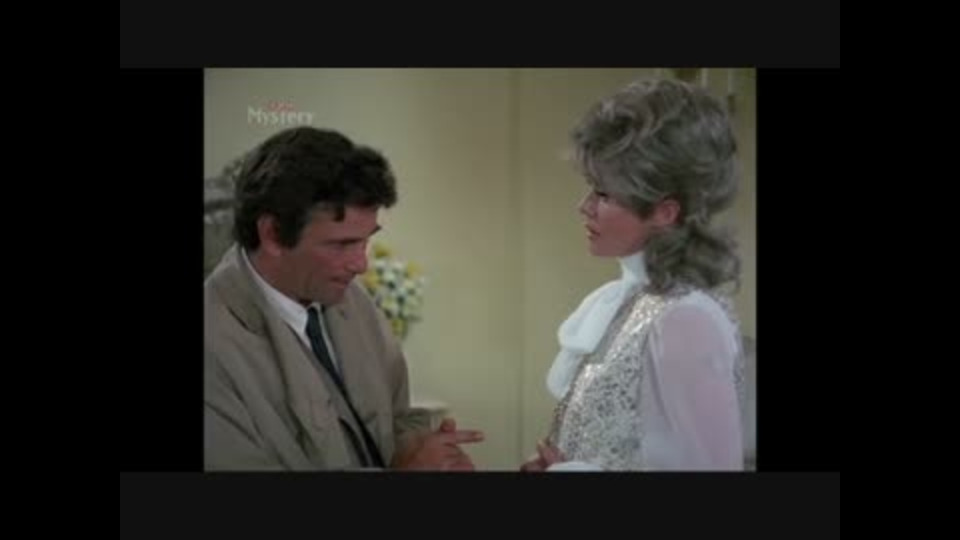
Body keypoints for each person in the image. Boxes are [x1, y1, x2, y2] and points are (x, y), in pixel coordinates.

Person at [204, 126, 483, 470]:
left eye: (365, 240)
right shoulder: (213, 342)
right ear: (273, 234)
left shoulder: (352, 300)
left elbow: (395, 419)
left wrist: (429, 452)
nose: (361, 265)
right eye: (341, 244)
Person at [521, 78, 747, 471]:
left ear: (665, 212)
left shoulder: (686, 319)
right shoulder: (633, 300)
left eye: (604, 194)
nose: (584, 207)